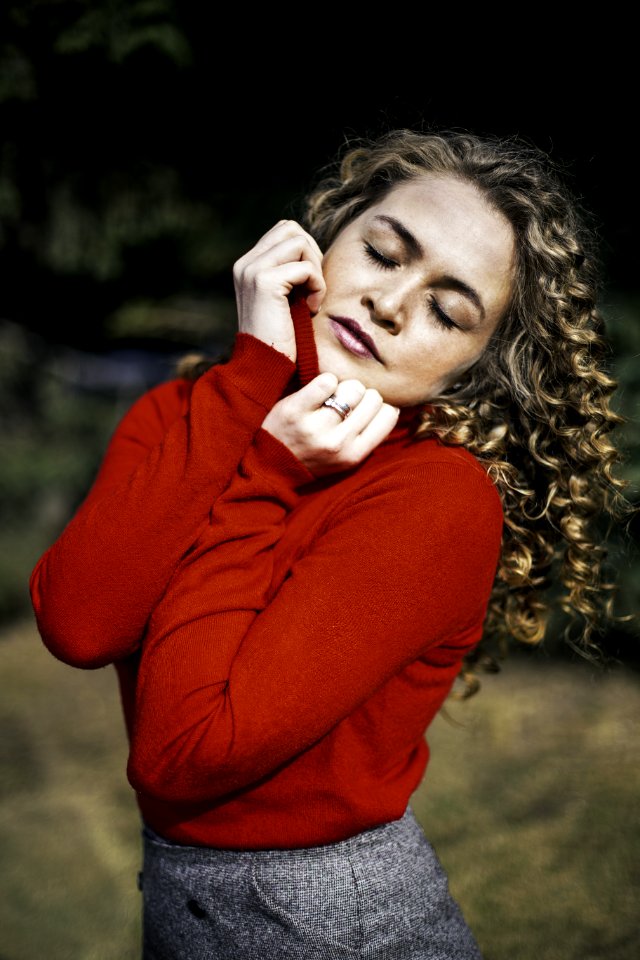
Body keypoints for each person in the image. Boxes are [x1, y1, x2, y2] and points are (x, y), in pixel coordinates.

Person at [29, 127, 632, 959]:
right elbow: (78, 623)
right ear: (319, 242)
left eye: (447, 311)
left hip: (331, 925)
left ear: (471, 370)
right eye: (384, 254)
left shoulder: (437, 498)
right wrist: (247, 383)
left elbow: (183, 753)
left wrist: (266, 474)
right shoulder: (180, 414)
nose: (391, 303)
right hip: (176, 902)